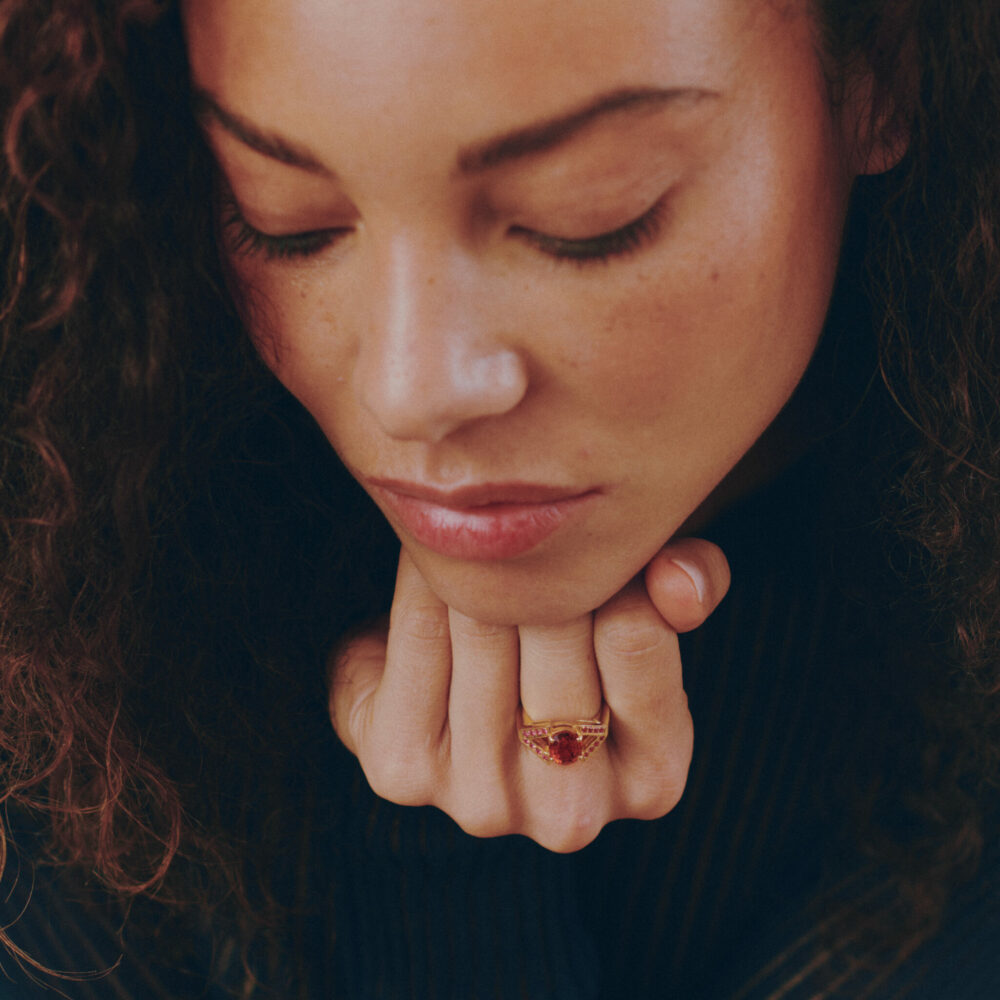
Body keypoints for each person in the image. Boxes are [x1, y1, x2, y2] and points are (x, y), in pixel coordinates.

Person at [1, 0, 998, 996]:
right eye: (284, 220)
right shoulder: (63, 627)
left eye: (586, 219)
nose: (411, 390)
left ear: (883, 69)